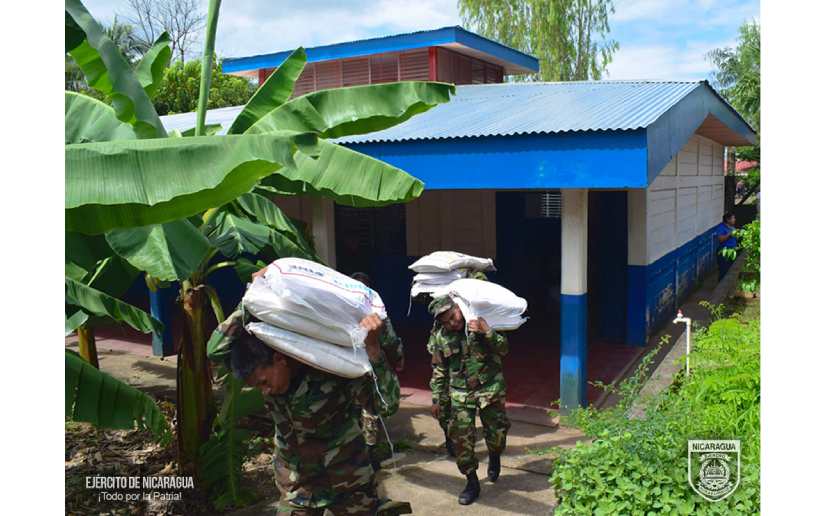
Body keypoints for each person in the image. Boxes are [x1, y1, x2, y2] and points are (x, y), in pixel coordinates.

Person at [210, 311, 410, 515]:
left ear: (279, 359)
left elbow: (386, 405)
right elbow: (214, 350)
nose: (265, 391)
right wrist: (247, 304)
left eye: (264, 382)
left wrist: (373, 349)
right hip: (296, 485)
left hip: (347, 481)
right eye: (257, 387)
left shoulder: (332, 367)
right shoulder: (258, 356)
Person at [427, 296, 511, 506]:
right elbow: (439, 370)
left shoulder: (481, 320)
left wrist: (487, 332)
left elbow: (504, 349)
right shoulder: (441, 337)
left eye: (453, 317)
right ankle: (472, 482)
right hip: (461, 394)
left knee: (497, 434)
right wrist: (437, 399)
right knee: (461, 441)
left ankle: (494, 455)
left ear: (458, 308)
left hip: (489, 388)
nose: (452, 323)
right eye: (445, 321)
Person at [350, 272, 404, 471]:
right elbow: (391, 341)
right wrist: (397, 359)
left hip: (349, 370)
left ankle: (361, 456)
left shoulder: (340, 313)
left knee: (357, 410)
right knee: (371, 411)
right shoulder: (378, 315)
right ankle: (370, 456)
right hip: (370, 371)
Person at [715, 212, 738, 281]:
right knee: (724, 270)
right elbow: (720, 239)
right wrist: (729, 234)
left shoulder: (732, 227)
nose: (735, 219)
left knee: (730, 269)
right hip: (724, 251)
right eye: (733, 218)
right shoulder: (721, 227)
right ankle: (720, 289)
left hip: (732, 250)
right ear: (728, 220)